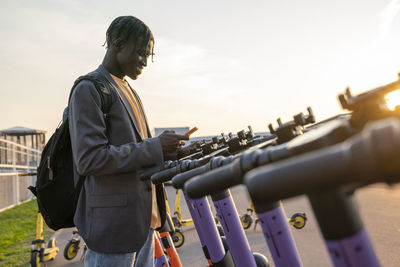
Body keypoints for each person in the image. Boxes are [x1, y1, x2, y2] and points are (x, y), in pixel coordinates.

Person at [68, 15, 188, 267]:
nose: (145, 62)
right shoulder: (89, 88)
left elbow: (139, 152)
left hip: (143, 223)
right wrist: (156, 146)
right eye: (141, 53)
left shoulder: (129, 90)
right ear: (119, 45)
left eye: (149, 56)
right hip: (113, 229)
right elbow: (90, 160)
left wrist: (174, 152)